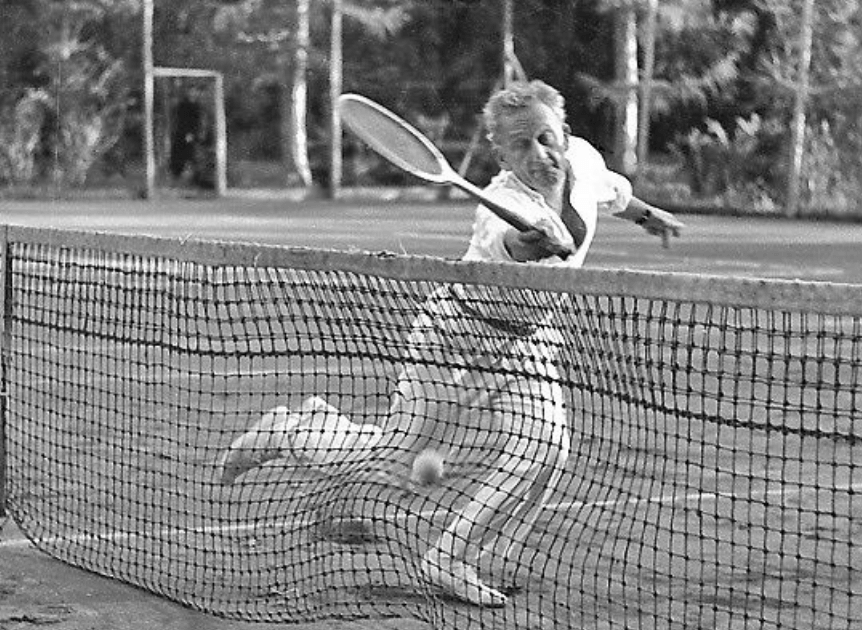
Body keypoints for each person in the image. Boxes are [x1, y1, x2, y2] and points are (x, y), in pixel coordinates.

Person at [219, 80, 684, 607]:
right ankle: (294, 430)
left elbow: (614, 192)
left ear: (565, 133)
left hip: (526, 343)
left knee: (546, 448)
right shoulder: (501, 205)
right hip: (456, 339)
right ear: (502, 153)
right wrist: (528, 243)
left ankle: (459, 558)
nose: (539, 153)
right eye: (521, 145)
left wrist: (649, 217)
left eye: (546, 138)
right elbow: (509, 242)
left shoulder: (584, 161)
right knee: (394, 459)